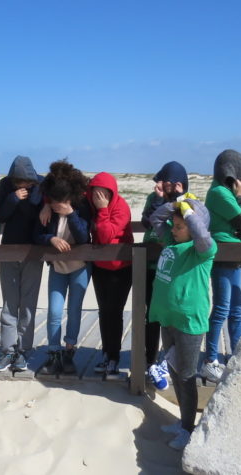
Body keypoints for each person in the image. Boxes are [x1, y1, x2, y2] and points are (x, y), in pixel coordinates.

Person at [147, 199, 217, 450]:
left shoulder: (202, 250)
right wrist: (177, 204)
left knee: (187, 376)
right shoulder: (171, 242)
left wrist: (189, 213)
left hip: (189, 323)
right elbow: (156, 218)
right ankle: (182, 421)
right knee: (175, 373)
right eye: (174, 226)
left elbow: (202, 235)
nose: (173, 230)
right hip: (169, 319)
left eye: (179, 226)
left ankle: (189, 428)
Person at [202, 149, 241, 381]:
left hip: (234, 254)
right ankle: (211, 359)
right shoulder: (218, 193)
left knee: (236, 309)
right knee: (222, 308)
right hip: (224, 254)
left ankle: (237, 355)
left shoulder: (226, 192)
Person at [35, 160, 92, 376]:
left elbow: (83, 237)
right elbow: (36, 234)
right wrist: (50, 238)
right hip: (57, 268)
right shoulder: (47, 208)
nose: (57, 203)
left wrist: (70, 213)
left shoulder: (81, 207)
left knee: (75, 310)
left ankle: (69, 352)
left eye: (61, 201)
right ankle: (53, 353)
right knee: (55, 312)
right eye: (54, 200)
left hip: (80, 268)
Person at [140, 161, 195, 389]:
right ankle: (149, 362)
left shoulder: (188, 201)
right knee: (151, 316)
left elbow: (184, 227)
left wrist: (172, 201)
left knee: (174, 317)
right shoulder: (154, 199)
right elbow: (147, 221)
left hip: (174, 268)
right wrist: (158, 201)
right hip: (150, 264)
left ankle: (168, 363)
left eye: (163, 181)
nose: (159, 185)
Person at [0, 156, 44, 373]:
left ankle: (24, 351)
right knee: (9, 304)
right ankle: (7, 351)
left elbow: (37, 216)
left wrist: (27, 198)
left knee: (28, 305)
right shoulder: (6, 185)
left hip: (33, 252)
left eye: (24, 181)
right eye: (17, 181)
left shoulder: (40, 185)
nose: (21, 185)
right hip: (9, 250)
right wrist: (13, 198)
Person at [87, 172, 133, 377]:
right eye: (95, 192)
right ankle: (107, 354)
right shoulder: (89, 205)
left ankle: (114, 357)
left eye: (103, 192)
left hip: (121, 268)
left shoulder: (121, 207)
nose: (99, 196)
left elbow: (105, 235)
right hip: (99, 267)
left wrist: (103, 210)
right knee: (104, 311)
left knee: (115, 311)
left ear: (111, 193)